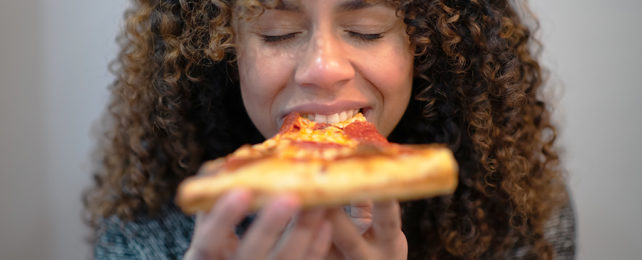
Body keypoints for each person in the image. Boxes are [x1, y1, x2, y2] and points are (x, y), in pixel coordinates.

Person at [84, 0, 575, 259]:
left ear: (430, 49)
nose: (322, 68)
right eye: (277, 32)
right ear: (224, 52)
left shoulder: (519, 215)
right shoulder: (144, 234)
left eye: (367, 29)